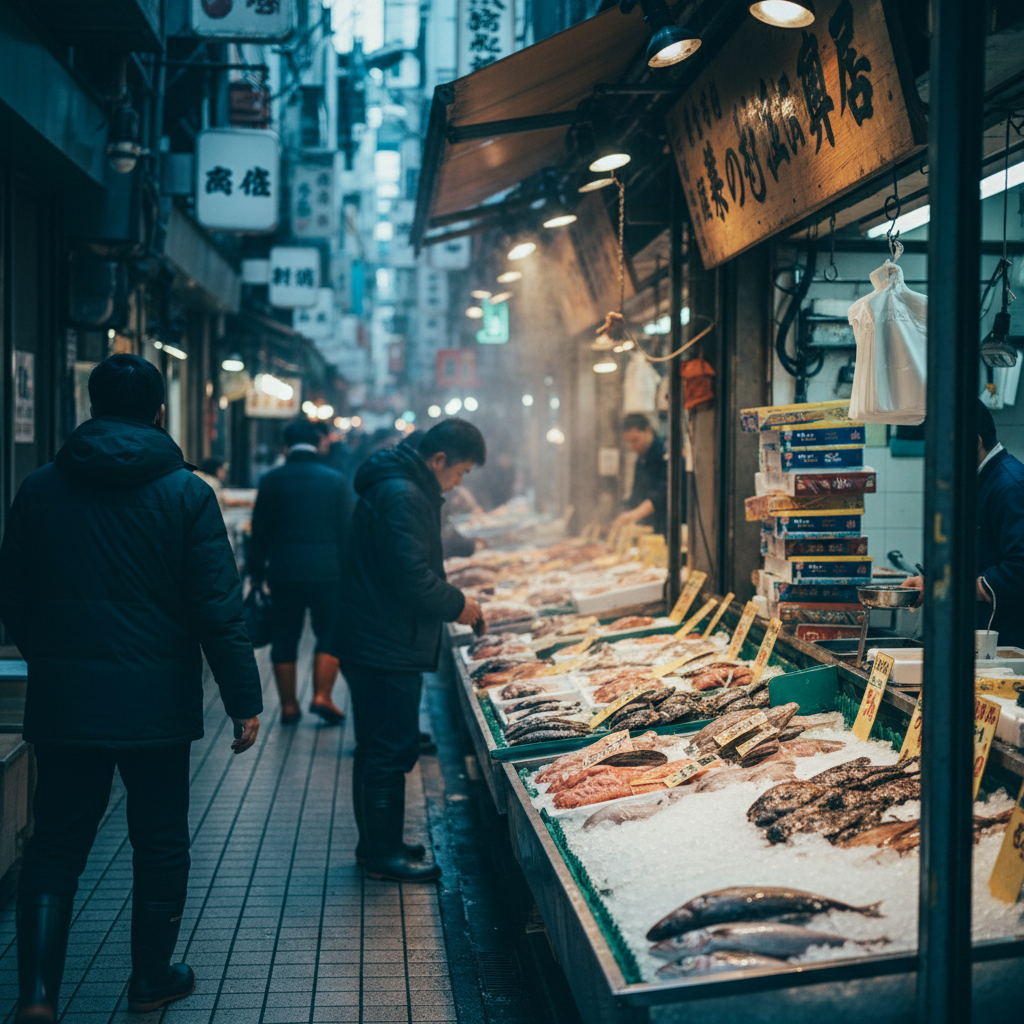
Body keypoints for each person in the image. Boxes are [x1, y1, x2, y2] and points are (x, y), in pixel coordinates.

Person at [0, 354, 262, 1021]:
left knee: (55, 844)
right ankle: (150, 977)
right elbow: (216, 606)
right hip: (156, 706)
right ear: (161, 411)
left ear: (89, 404)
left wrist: (52, 658)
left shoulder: (40, 488)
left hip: (65, 702)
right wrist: (244, 701)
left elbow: (15, 598)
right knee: (161, 839)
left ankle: (35, 996)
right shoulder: (185, 493)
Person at [332, 418, 487, 883]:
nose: (459, 483)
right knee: (389, 750)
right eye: (459, 472)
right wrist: (460, 604)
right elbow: (411, 577)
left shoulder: (397, 484)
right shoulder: (402, 493)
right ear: (438, 459)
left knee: (379, 747)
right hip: (385, 641)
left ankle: (378, 845)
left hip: (376, 636)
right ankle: (382, 854)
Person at [248, 418, 353, 724]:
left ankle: (289, 706)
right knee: (328, 632)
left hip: (283, 571)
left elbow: (260, 532)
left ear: (285, 445)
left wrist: (256, 572)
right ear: (319, 442)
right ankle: (322, 696)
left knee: (285, 635)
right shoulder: (334, 480)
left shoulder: (271, 480)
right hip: (327, 571)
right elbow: (346, 532)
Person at [901, 400, 1024, 647]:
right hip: (980, 635)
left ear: (975, 442)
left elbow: (1019, 568)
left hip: (1010, 641)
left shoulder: (1010, 486)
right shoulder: (979, 482)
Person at [612, 412, 668, 536]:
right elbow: (636, 494)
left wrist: (636, 513)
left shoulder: (665, 452)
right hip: (647, 528)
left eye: (635, 440)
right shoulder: (641, 460)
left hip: (667, 527)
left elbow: (665, 491)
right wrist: (623, 511)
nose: (632, 446)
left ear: (648, 430)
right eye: (628, 442)